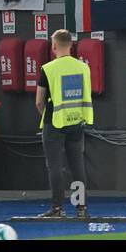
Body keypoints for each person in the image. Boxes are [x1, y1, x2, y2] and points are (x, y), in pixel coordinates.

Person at [36, 29, 93, 219]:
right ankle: (82, 208)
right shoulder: (83, 67)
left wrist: (47, 116)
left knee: (55, 166)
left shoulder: (48, 68)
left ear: (53, 46)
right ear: (71, 45)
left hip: (55, 122)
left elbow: (39, 101)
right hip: (77, 121)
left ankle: (58, 208)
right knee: (77, 165)